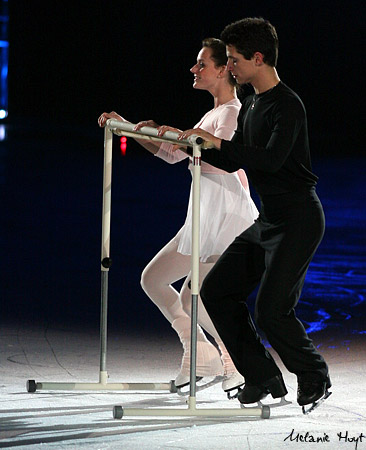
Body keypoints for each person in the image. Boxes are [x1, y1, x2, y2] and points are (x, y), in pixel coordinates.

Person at [178, 19, 331, 409]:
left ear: (257, 58)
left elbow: (273, 160)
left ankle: (314, 376)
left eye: (233, 60)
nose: (229, 67)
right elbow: (234, 161)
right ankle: (262, 377)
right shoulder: (253, 106)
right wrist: (199, 145)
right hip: (268, 220)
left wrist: (219, 143)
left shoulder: (288, 105)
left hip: (298, 219)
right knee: (216, 290)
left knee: (272, 310)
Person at [98, 38, 259, 393]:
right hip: (203, 214)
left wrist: (175, 136)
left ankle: (238, 361)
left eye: (202, 64)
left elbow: (219, 159)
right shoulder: (212, 113)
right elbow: (175, 154)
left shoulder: (232, 112)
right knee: (154, 279)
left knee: (198, 297)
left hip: (226, 215)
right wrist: (127, 127)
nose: (194, 69)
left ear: (222, 70)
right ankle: (200, 352)